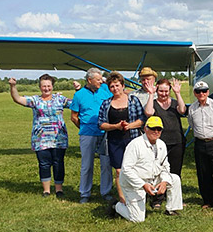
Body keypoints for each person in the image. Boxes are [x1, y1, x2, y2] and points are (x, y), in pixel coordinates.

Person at [8, 75, 71, 198]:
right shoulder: (35, 100)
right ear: (40, 87)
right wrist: (13, 86)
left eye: (48, 86)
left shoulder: (60, 99)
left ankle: (59, 189)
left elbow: (76, 103)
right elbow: (17, 99)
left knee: (58, 163)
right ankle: (46, 190)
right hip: (41, 138)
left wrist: (79, 90)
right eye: (44, 86)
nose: (46, 88)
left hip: (58, 138)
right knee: (44, 164)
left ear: (52, 86)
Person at [109, 116, 183, 222]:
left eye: (159, 129)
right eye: (152, 128)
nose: (156, 131)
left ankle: (171, 209)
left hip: (152, 179)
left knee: (174, 179)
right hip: (133, 183)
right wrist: (143, 184)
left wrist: (164, 181)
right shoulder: (135, 145)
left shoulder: (161, 144)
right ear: (145, 129)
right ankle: (116, 206)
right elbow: (126, 170)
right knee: (138, 219)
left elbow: (165, 167)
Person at [98, 72, 145, 204]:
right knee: (119, 171)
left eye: (117, 85)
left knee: (134, 169)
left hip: (132, 139)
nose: (115, 88)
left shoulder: (133, 100)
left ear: (123, 86)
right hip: (114, 141)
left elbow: (142, 119)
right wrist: (116, 126)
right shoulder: (106, 103)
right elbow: (101, 124)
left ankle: (137, 197)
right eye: (112, 86)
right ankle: (123, 200)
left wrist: (129, 126)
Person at [70, 68, 114, 204]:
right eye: (98, 79)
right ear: (89, 80)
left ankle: (106, 191)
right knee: (87, 165)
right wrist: (84, 127)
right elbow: (74, 117)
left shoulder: (105, 90)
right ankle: (84, 193)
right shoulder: (79, 95)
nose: (101, 81)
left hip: (104, 133)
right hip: (87, 134)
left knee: (106, 164)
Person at [187, 80, 213, 211]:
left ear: (208, 92)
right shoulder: (192, 108)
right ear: (195, 93)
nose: (201, 94)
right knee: (203, 173)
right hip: (200, 143)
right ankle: (208, 200)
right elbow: (191, 124)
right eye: (198, 91)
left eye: (204, 91)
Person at [144, 78, 187, 177]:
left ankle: (173, 186)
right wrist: (151, 94)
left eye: (166, 91)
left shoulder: (174, 103)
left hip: (177, 141)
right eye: (161, 91)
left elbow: (182, 110)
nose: (163, 94)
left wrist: (178, 93)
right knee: (159, 170)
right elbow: (149, 112)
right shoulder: (153, 103)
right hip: (159, 142)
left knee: (175, 171)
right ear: (157, 90)